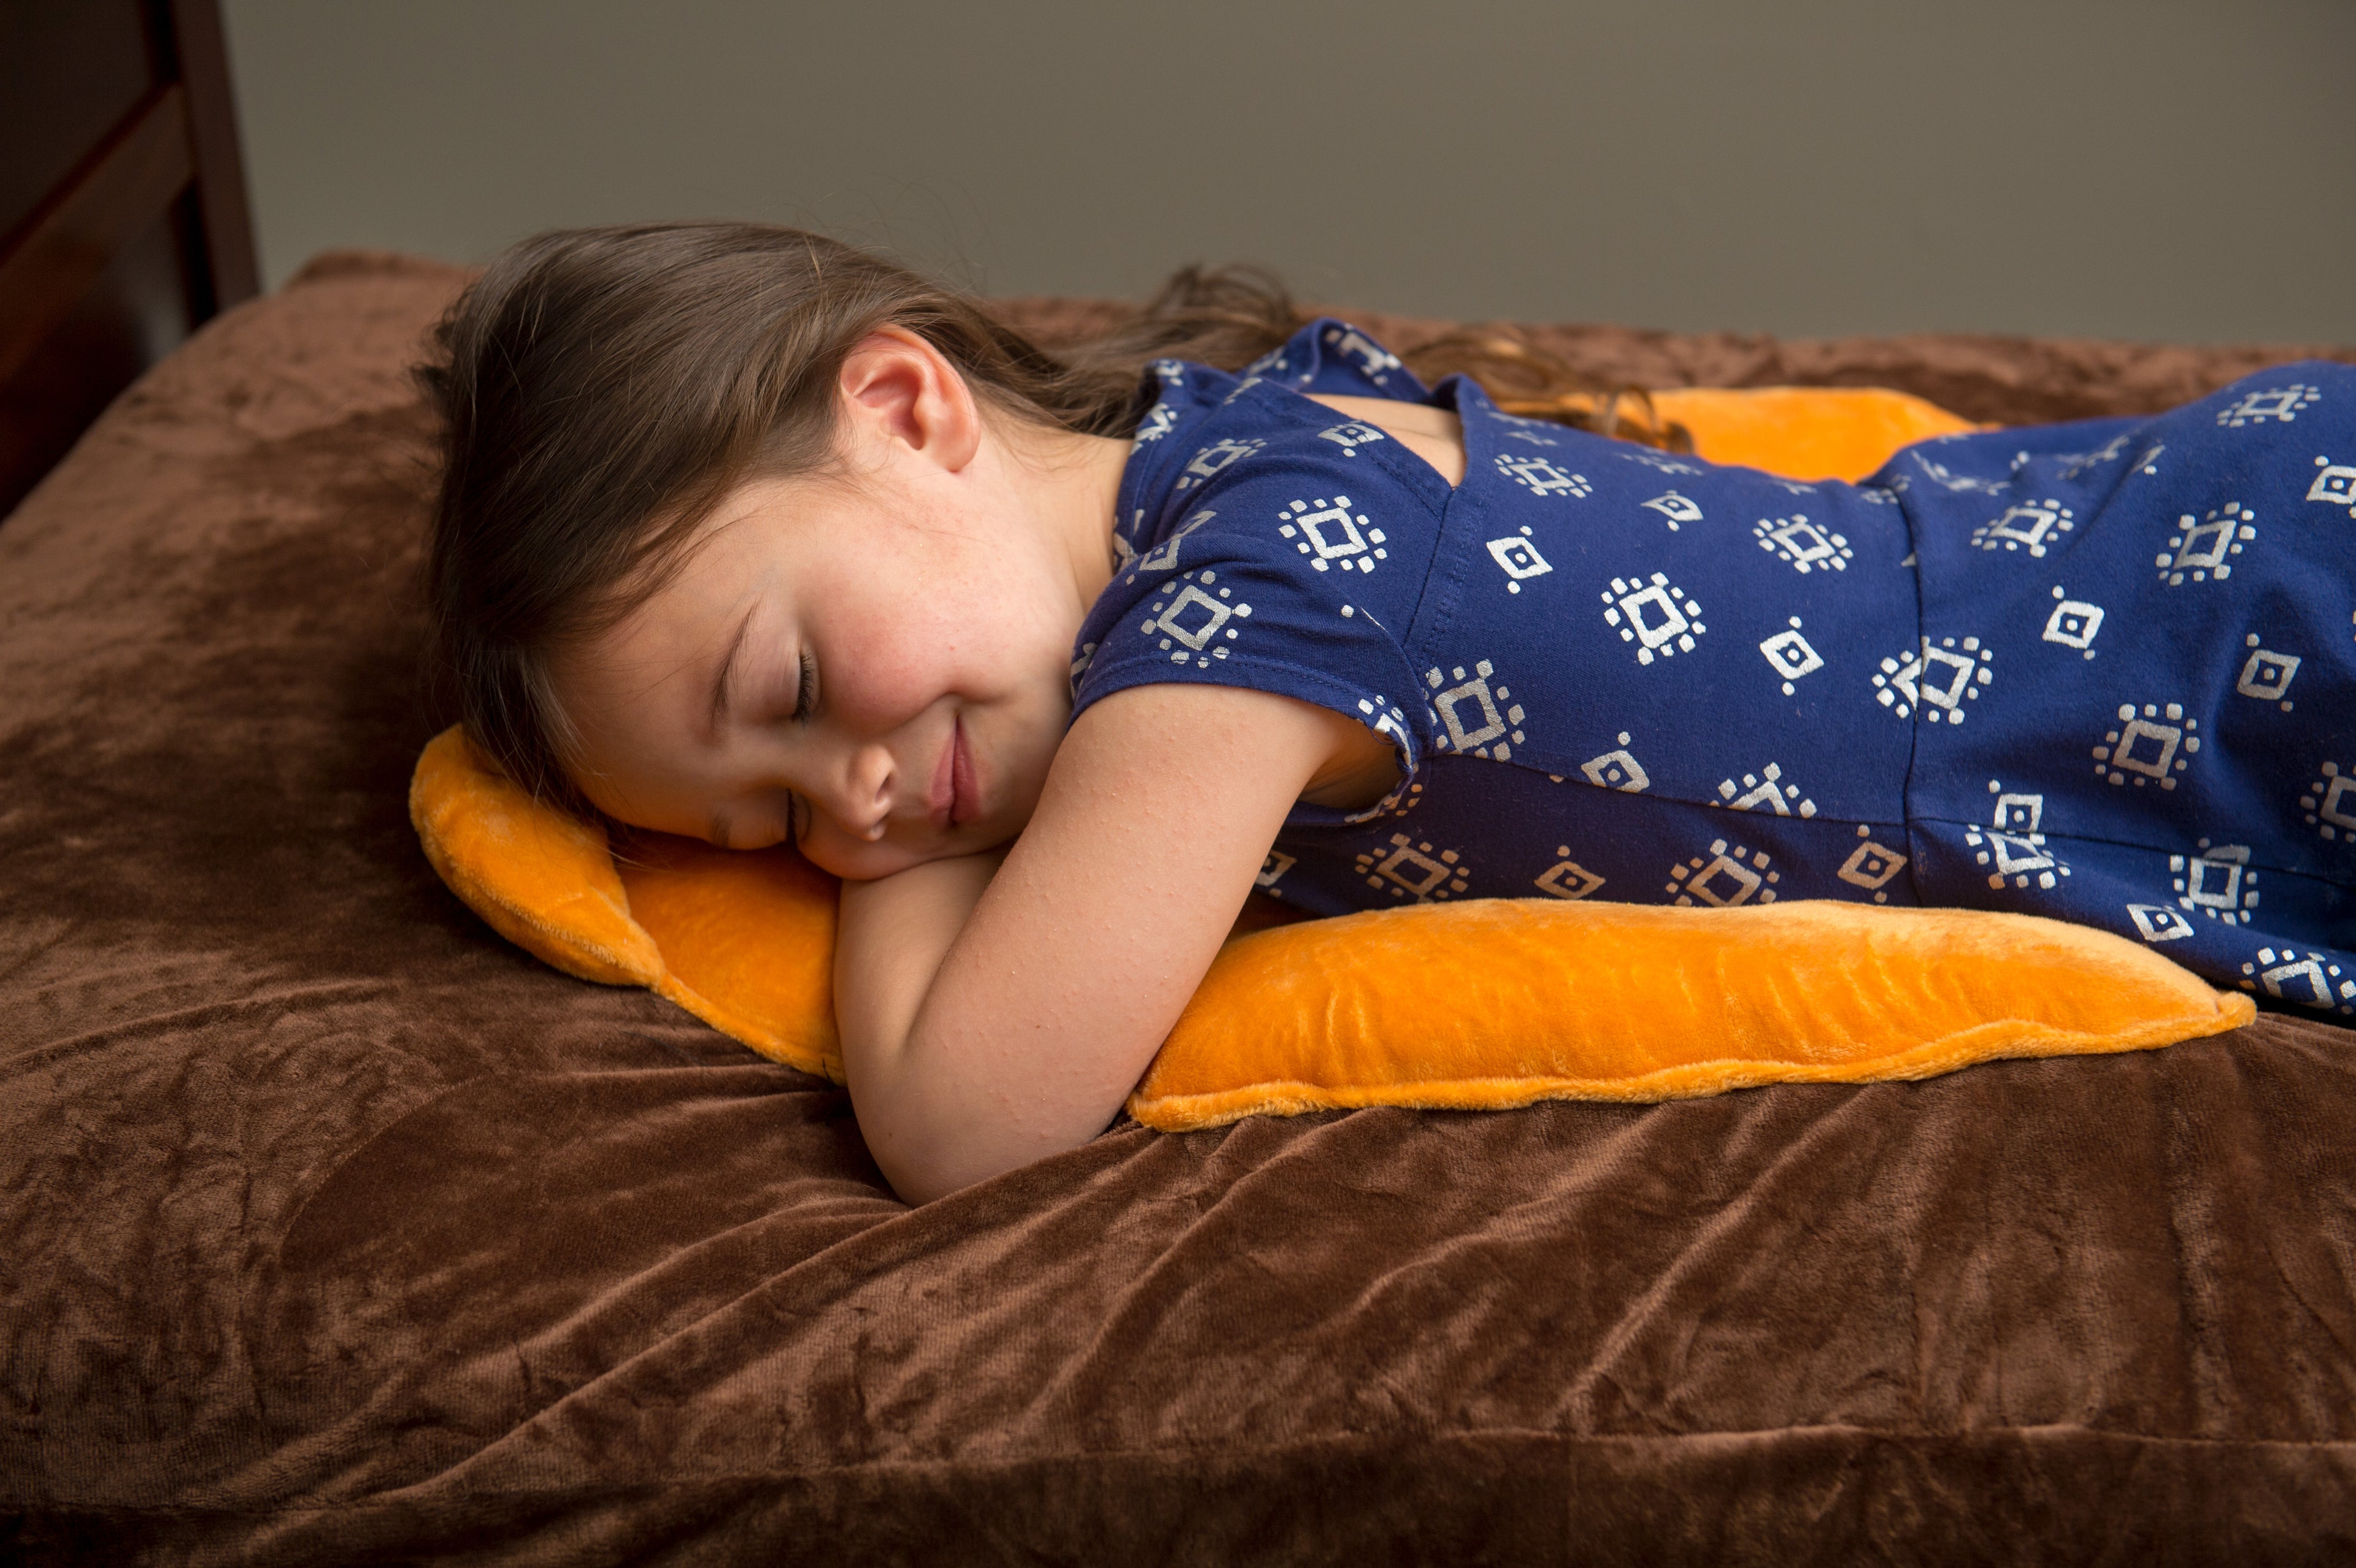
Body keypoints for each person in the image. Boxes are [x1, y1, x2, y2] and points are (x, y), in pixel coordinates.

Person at [422, 221, 2356, 1203]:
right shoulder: (1224, 437)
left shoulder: (1231, 620)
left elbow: (964, 1121)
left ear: (909, 409)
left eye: (792, 694)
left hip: (2186, 674)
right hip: (2124, 548)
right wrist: (866, 772)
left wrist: (892, 863)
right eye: (764, 828)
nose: (848, 808)